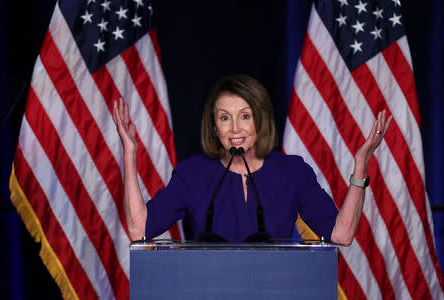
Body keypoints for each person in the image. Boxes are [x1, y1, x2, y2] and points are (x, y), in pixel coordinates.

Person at [112, 74, 392, 245]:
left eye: (245, 116)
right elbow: (139, 230)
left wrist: (360, 165)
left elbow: (340, 235)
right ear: (213, 127)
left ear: (261, 120)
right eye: (224, 118)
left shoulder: (292, 172)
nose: (235, 128)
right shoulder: (192, 174)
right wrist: (129, 153)